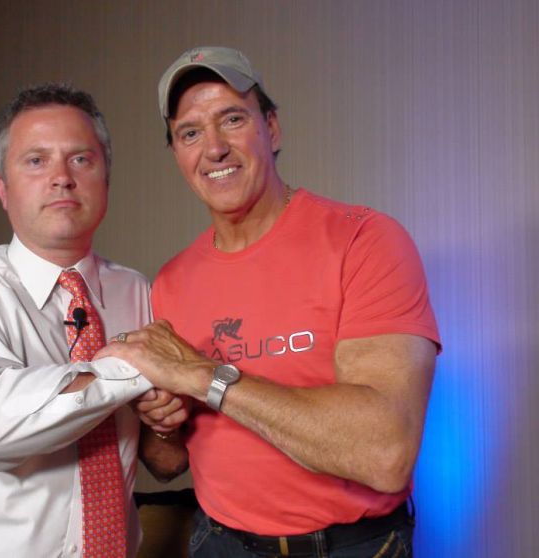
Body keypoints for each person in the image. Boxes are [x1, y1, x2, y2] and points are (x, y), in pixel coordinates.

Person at [98, 46, 441, 557]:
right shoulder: (171, 281)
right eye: (190, 133)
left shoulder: (364, 241)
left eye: (232, 119)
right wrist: (161, 419)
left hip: (349, 546)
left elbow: (384, 453)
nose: (214, 148)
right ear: (177, 155)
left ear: (272, 129)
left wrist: (201, 375)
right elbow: (168, 463)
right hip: (219, 542)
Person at [0, 83, 161, 558]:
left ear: (106, 178)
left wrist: (165, 416)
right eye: (36, 161)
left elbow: (161, 449)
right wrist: (137, 367)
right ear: (2, 187)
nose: (62, 178)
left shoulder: (139, 292)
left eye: (81, 159)